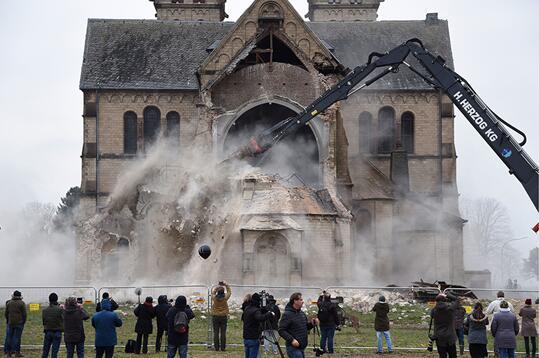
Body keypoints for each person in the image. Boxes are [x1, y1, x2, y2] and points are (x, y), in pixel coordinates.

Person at [279, 292, 319, 358]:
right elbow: (281, 330)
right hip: (293, 348)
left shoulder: (302, 313)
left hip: (302, 347)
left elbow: (305, 327)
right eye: (301, 300)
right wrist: (292, 340)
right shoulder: (287, 314)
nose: (303, 301)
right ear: (295, 301)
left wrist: (312, 324)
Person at [242, 292, 274, 358]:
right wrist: (269, 314)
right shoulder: (256, 311)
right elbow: (260, 318)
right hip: (253, 337)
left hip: (246, 337)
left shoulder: (247, 308)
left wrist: (262, 310)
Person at [430, 293, 459, 358]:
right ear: (445, 300)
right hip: (450, 336)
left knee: (442, 355)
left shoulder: (434, 311)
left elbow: (431, 315)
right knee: (453, 355)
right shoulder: (450, 309)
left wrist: (437, 302)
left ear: (436, 301)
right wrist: (447, 295)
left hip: (439, 336)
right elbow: (457, 300)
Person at [487, 291, 514, 357]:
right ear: (503, 296)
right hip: (507, 323)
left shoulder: (493, 303)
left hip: (496, 323)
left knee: (496, 340)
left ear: (497, 296)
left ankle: (497, 354)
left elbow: (488, 312)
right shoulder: (509, 303)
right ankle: (507, 353)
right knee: (508, 340)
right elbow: (513, 312)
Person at [41, 293, 64, 358]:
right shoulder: (60, 310)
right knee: (54, 352)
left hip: (48, 331)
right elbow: (64, 319)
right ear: (56, 299)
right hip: (57, 332)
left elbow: (44, 322)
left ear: (49, 300)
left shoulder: (44, 310)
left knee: (45, 351)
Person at [5, 290, 27, 358]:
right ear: (20, 296)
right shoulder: (22, 303)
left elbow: (6, 313)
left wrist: (8, 320)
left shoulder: (9, 303)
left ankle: (9, 353)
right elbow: (24, 314)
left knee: (9, 338)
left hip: (10, 323)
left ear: (14, 295)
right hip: (19, 323)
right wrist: (23, 321)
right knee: (17, 338)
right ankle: (17, 353)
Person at [211, 281, 231, 352]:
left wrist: (217, 287)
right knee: (223, 333)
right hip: (223, 316)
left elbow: (212, 292)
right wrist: (225, 284)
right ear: (223, 292)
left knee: (216, 332)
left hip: (215, 316)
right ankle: (223, 348)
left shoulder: (214, 298)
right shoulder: (225, 297)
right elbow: (229, 291)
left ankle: (216, 348)